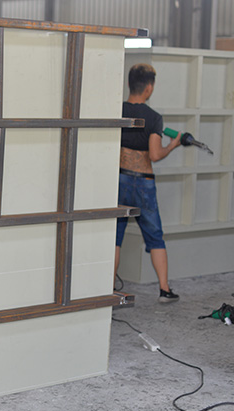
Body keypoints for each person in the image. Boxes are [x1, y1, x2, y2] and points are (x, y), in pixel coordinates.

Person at [115, 63, 181, 303]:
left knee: (115, 236)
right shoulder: (154, 118)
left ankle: (108, 290)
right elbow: (154, 154)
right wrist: (172, 145)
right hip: (143, 183)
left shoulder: (117, 110)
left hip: (118, 178)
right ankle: (164, 290)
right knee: (155, 237)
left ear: (129, 84)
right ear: (149, 88)